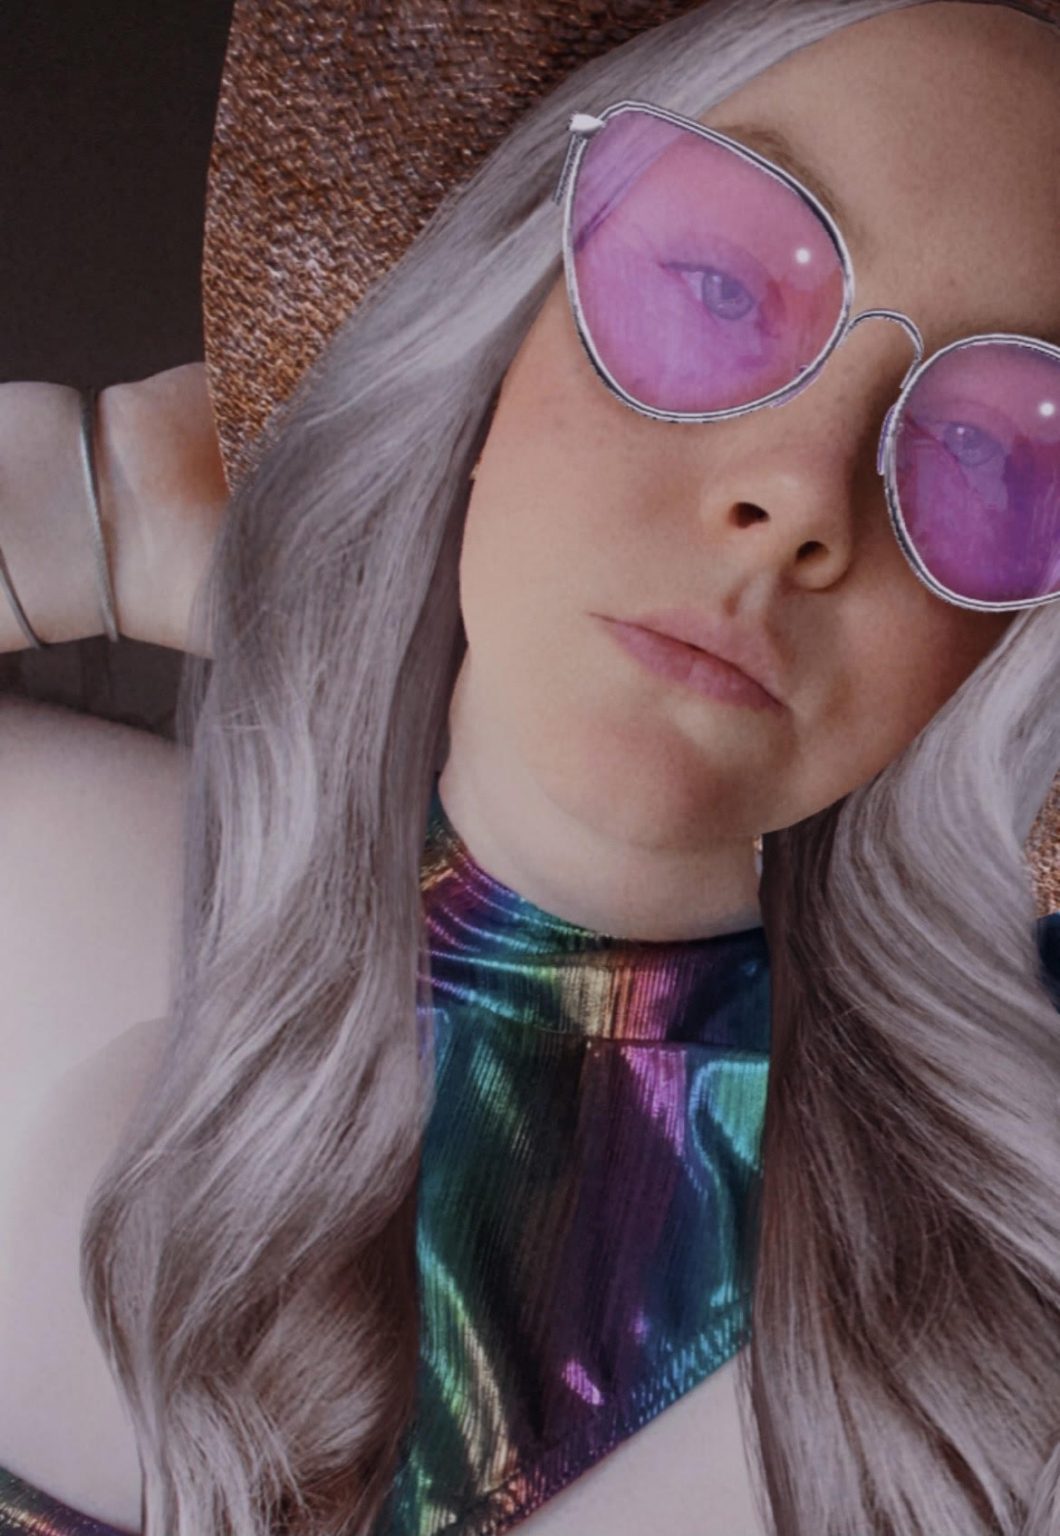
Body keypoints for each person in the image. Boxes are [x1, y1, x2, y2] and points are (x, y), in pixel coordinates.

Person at [1, 1, 1059, 1534]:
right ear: (502, 302)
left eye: (994, 448)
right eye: (717, 282)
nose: (799, 496)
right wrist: (107, 506)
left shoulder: (1001, 1313)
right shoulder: (50, 896)